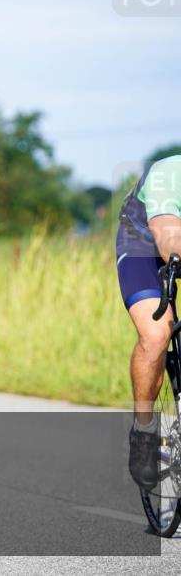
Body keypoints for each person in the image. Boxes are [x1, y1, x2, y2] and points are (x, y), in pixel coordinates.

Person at [116, 154, 181, 489]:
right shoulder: (168, 174)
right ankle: (144, 430)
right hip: (142, 242)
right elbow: (169, 239)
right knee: (157, 333)